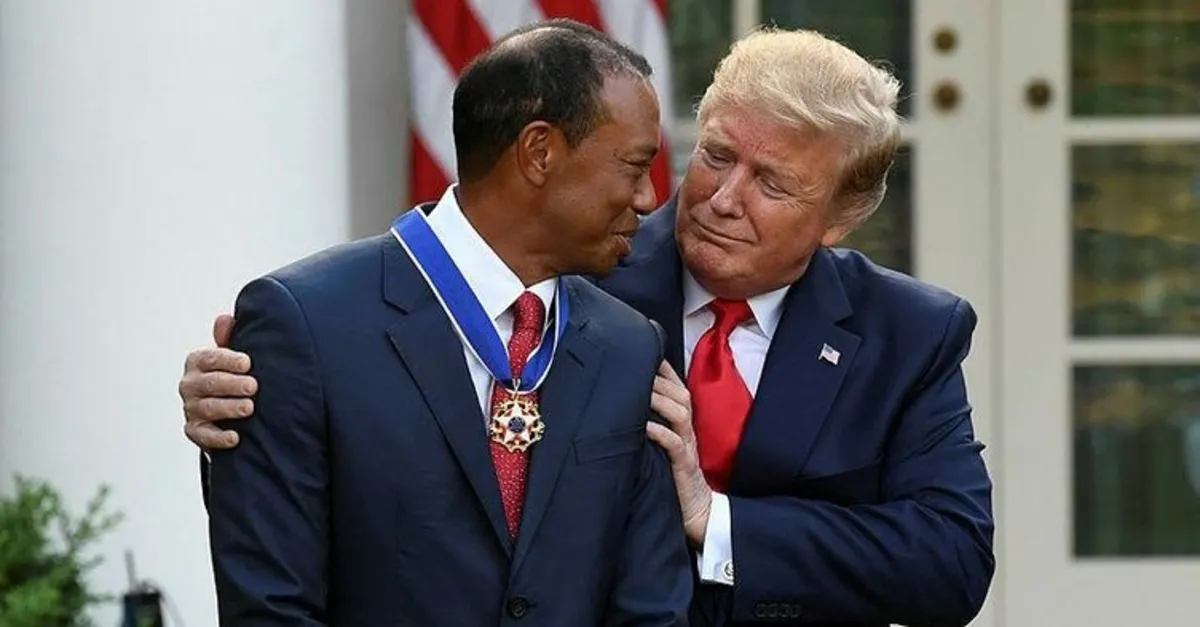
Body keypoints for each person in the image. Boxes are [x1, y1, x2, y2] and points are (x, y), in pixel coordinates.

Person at [182, 27, 994, 627]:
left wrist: (717, 520)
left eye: (772, 184)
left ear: (842, 217)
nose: (721, 198)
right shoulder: (571, 266)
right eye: (716, 155)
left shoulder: (908, 333)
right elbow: (392, 347)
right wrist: (261, 391)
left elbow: (952, 563)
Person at [198, 20, 693, 625]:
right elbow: (271, 608)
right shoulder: (306, 325)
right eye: (635, 166)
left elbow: (650, 609)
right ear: (539, 152)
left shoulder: (629, 346)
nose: (648, 199)